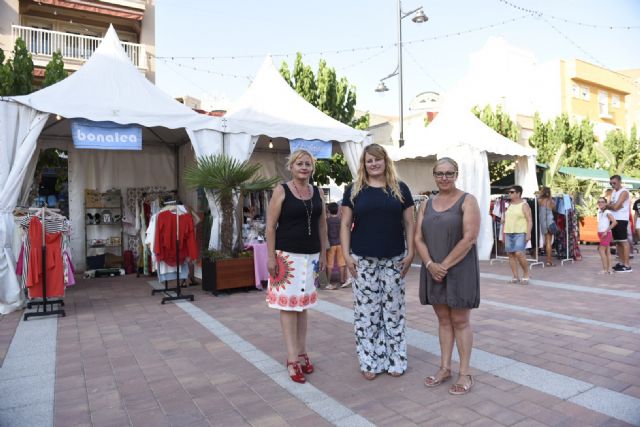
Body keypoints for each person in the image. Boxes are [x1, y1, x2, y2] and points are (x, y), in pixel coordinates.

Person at [340, 143, 415, 380]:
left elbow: (410, 224)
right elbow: (344, 225)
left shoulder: (399, 188)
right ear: (364, 164)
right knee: (367, 314)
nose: (373, 164)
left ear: (385, 161)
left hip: (394, 258)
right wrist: (345, 254)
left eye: (377, 160)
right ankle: (370, 362)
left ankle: (395, 360)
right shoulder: (354, 190)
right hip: (363, 258)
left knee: (393, 312)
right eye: (368, 160)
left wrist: (411, 252)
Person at [415, 157, 480, 396]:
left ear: (456, 174)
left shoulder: (468, 200)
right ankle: (444, 368)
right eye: (440, 173)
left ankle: (465, 373)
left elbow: (470, 238)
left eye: (449, 173)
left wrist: (443, 265)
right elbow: (418, 238)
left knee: (460, 321)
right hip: (434, 270)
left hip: (459, 269)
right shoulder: (426, 204)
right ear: (434, 175)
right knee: (443, 320)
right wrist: (431, 264)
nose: (444, 177)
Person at [266, 149, 327, 384]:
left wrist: (324, 253)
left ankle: (302, 352)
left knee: (303, 307)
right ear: (291, 166)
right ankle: (292, 358)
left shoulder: (318, 192)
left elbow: (322, 226)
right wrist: (270, 258)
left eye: (308, 164)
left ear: (312, 168)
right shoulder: (281, 190)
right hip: (287, 257)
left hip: (310, 257)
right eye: (299, 163)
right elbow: (270, 227)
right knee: (289, 307)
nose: (304, 167)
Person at [503, 185, 532, 284]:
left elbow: (529, 220)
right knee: (510, 254)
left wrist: (528, 233)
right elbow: (506, 218)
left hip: (520, 232)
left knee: (519, 253)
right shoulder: (509, 204)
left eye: (512, 192)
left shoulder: (524, 205)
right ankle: (515, 276)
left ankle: (526, 274)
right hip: (508, 232)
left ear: (518, 193)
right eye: (509, 192)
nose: (509, 194)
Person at [607, 175, 632, 272]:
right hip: (614, 219)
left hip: (621, 219)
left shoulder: (624, 192)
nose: (612, 185)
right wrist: (612, 206)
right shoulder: (614, 192)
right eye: (611, 183)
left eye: (614, 183)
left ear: (619, 182)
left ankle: (627, 265)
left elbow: (616, 206)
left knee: (623, 241)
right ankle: (621, 263)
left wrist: (610, 206)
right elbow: (613, 205)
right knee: (618, 242)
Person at [324, 202, 349, 290]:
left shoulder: (327, 221)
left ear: (328, 210)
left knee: (329, 264)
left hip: (331, 244)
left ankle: (328, 281)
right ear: (337, 210)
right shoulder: (340, 220)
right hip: (340, 243)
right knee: (342, 263)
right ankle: (342, 280)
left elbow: (326, 233)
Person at [596, 197, 617, 274]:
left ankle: (605, 270)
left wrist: (606, 231)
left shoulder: (607, 212)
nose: (600, 203)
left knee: (601, 251)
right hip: (602, 233)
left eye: (602, 202)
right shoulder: (600, 211)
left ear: (605, 203)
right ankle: (610, 269)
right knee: (607, 252)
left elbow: (614, 222)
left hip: (605, 234)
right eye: (599, 202)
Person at [537, 186, 556, 266]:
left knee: (545, 241)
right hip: (550, 221)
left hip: (543, 222)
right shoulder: (552, 201)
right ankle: (549, 261)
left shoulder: (539, 200)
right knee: (549, 242)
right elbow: (554, 210)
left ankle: (548, 260)